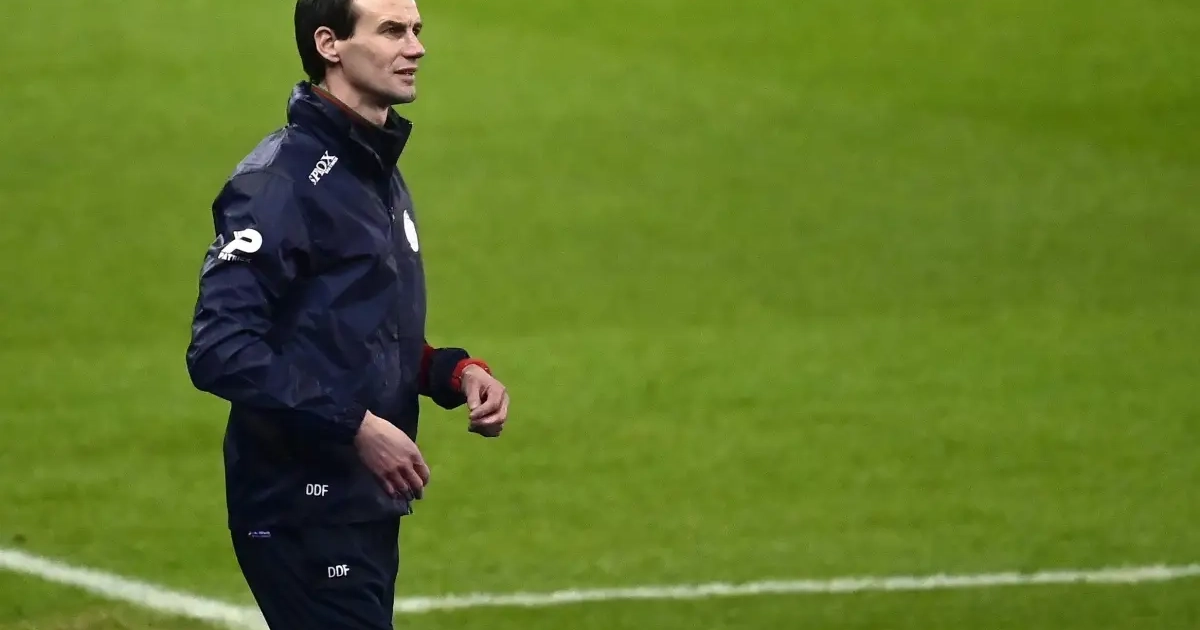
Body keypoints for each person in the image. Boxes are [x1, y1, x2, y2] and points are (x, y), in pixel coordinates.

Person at [184, 0, 510, 627]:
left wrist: (454, 372)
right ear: (329, 44)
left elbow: (351, 333)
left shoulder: (374, 171)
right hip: (301, 509)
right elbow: (220, 347)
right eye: (392, 31)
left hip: (358, 505)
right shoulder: (281, 182)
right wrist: (355, 425)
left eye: (416, 30)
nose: (416, 47)